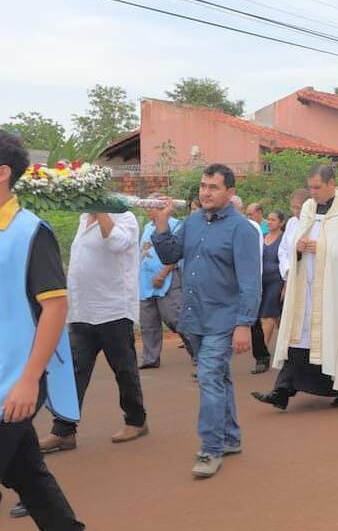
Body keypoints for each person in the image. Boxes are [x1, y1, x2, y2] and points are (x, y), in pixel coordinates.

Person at [152, 163, 261, 478]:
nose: (206, 192)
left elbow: (250, 281)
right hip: (194, 316)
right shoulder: (193, 221)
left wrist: (243, 324)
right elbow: (171, 255)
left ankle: (210, 448)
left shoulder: (241, 229)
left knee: (209, 378)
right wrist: (161, 226)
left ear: (230, 192)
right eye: (203, 186)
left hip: (223, 318)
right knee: (219, 378)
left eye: (213, 187)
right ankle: (230, 437)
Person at [0, 132, 85, 530]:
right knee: (28, 475)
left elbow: (54, 307)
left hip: (14, 382)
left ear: (2, 173)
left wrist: (29, 381)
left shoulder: (31, 232)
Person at [254, 164, 338, 413]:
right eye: (310, 187)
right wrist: (299, 247)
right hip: (305, 288)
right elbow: (293, 241)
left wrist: (323, 248)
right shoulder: (308, 207)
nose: (313, 192)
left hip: (334, 291)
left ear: (332, 184)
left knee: (331, 335)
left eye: (317, 187)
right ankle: (282, 390)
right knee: (299, 336)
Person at [39, 205, 146, 454]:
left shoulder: (125, 218)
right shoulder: (82, 218)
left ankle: (136, 420)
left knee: (124, 369)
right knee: (74, 372)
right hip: (83, 311)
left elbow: (118, 244)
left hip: (114, 310)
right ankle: (63, 431)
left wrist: (102, 213)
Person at [138, 202, 192, 369]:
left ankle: (199, 353)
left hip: (167, 278)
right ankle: (150, 358)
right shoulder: (147, 226)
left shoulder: (176, 225)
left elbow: (174, 253)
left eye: (151, 207)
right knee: (148, 322)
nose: (148, 210)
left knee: (175, 318)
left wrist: (162, 274)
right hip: (146, 281)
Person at [233, 196, 268, 375]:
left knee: (252, 322)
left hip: (247, 281)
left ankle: (262, 357)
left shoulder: (250, 227)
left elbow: (255, 257)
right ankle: (211, 363)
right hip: (227, 284)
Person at [256, 210, 286, 374]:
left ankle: (263, 351)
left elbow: (287, 261)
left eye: (273, 220)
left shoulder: (284, 238)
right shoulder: (263, 236)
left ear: (281, 222)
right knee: (277, 317)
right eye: (269, 219)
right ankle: (289, 347)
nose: (269, 222)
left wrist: (286, 285)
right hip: (262, 280)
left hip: (277, 280)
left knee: (267, 315)